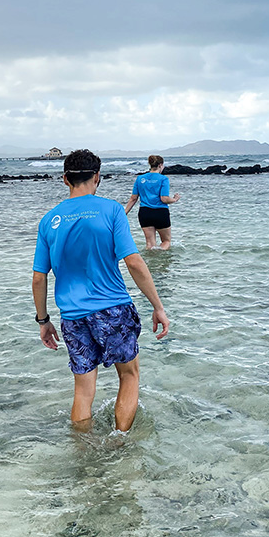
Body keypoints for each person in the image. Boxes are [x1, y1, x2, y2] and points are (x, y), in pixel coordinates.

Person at [33, 149, 170, 433]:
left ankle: (83, 451)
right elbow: (133, 261)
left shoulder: (49, 220)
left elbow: (38, 278)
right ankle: (119, 444)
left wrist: (43, 321)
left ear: (65, 179)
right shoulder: (111, 210)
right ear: (97, 177)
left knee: (83, 389)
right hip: (113, 309)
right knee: (129, 376)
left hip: (72, 317)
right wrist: (157, 306)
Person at [124, 155, 181, 250]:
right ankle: (160, 260)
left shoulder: (140, 179)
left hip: (145, 213)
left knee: (150, 244)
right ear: (160, 165)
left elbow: (133, 198)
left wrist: (125, 212)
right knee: (166, 241)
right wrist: (174, 199)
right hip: (160, 212)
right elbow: (164, 199)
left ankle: (151, 263)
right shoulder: (163, 179)